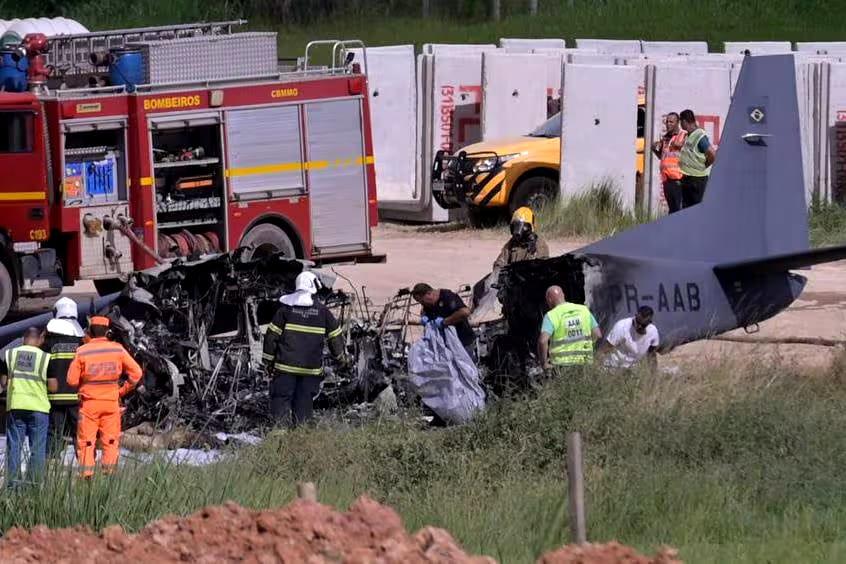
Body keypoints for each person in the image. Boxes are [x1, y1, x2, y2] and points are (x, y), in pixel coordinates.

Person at [262, 271, 346, 427]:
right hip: (310, 372)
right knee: (304, 407)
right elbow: (335, 337)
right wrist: (341, 359)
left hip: (284, 370)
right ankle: (300, 440)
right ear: (313, 287)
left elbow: (271, 337)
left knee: (281, 403)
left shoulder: (285, 310)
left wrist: (267, 362)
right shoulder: (323, 312)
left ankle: (279, 443)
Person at [67, 316, 143, 478]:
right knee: (110, 441)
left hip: (89, 405)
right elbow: (137, 373)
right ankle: (109, 473)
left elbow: (71, 380)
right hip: (111, 404)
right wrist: (122, 391)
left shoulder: (82, 351)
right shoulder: (117, 349)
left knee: (87, 442)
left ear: (90, 331)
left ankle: (86, 475)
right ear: (107, 332)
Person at [0, 327, 57, 487]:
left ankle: (12, 486)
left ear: (24, 338)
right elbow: (53, 387)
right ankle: (34, 486)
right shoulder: (46, 358)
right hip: (38, 408)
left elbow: (4, 383)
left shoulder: (10, 355)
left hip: (16, 406)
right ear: (40, 338)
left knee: (14, 446)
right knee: (37, 448)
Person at [42, 297, 84, 459]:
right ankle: (85, 464)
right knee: (80, 432)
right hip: (75, 397)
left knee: (54, 432)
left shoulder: (50, 341)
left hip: (55, 396)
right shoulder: (80, 340)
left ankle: (51, 463)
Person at [537, 286, 602, 369]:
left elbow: (542, 341)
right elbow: (597, 335)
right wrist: (587, 348)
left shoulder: (551, 316)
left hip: (562, 366)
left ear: (549, 300)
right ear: (563, 295)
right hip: (585, 363)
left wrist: (544, 363)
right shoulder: (583, 310)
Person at [412, 283, 476, 361]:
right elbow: (424, 312)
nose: (422, 304)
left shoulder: (447, 297)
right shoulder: (428, 305)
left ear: (429, 293)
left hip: (463, 341)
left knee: (467, 368)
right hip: (446, 345)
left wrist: (444, 322)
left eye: (422, 301)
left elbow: (465, 312)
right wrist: (424, 318)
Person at [679, 109, 717, 209]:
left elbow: (712, 154)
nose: (680, 125)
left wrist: (704, 166)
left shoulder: (699, 136)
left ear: (684, 121)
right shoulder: (689, 135)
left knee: (696, 209)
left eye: (680, 122)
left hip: (697, 180)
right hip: (688, 178)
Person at [651, 112, 686, 214]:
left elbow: (687, 152)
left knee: (679, 211)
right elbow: (662, 157)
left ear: (677, 123)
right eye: (667, 122)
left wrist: (680, 145)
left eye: (671, 122)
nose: (668, 124)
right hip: (667, 181)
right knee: (672, 211)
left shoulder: (683, 135)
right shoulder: (666, 138)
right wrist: (654, 149)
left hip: (679, 180)